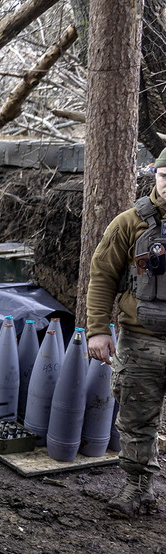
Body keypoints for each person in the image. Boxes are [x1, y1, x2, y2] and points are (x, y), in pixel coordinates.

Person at [86, 147, 166, 518]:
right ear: (155, 176)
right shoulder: (128, 223)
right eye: (164, 176)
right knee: (136, 420)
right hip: (140, 340)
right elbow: (102, 276)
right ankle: (137, 488)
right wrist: (98, 330)